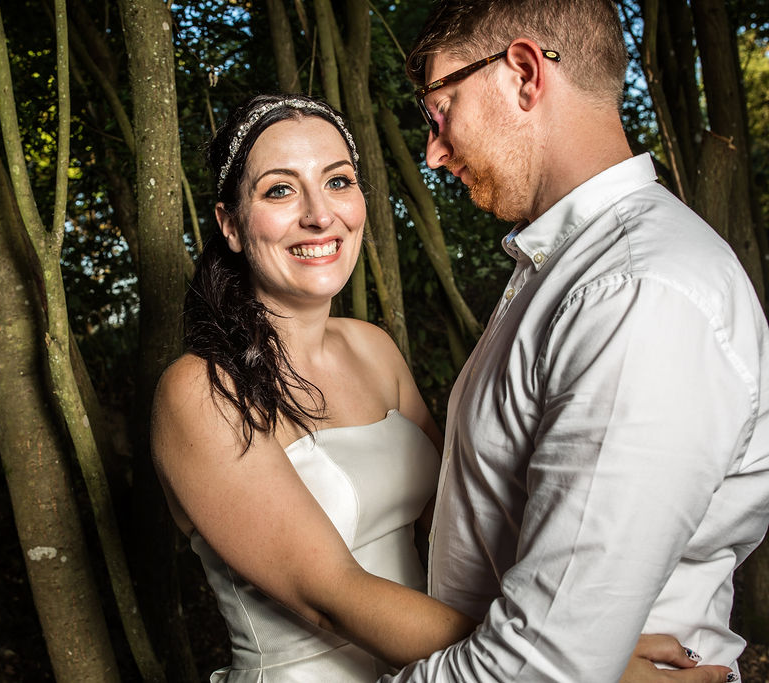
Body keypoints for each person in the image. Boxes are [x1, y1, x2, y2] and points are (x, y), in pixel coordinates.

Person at [152, 94, 734, 682]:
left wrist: (584, 629)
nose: (319, 215)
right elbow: (329, 593)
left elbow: (462, 517)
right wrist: (585, 664)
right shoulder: (200, 392)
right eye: (280, 190)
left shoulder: (373, 349)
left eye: (338, 181)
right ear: (230, 224)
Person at [385, 1, 769, 681]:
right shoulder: (570, 272)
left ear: (526, 73)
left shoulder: (638, 291)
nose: (434, 152)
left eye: (441, 109)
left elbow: (543, 666)